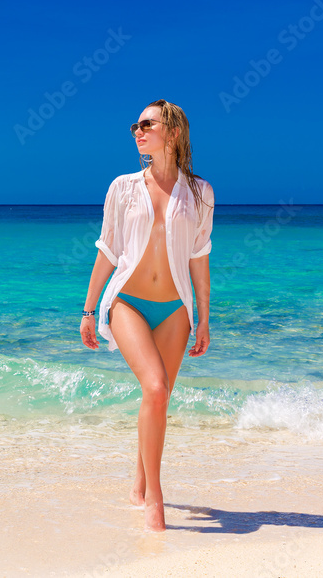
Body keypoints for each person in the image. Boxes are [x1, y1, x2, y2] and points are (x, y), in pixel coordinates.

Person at [80, 99, 214, 531]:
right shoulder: (122, 187)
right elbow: (108, 249)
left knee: (159, 398)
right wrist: (88, 310)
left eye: (147, 124)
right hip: (129, 303)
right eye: (135, 125)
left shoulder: (200, 193)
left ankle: (138, 483)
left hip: (176, 308)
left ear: (172, 132)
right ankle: (155, 499)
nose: (137, 131)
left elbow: (199, 257)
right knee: (155, 388)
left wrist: (204, 318)